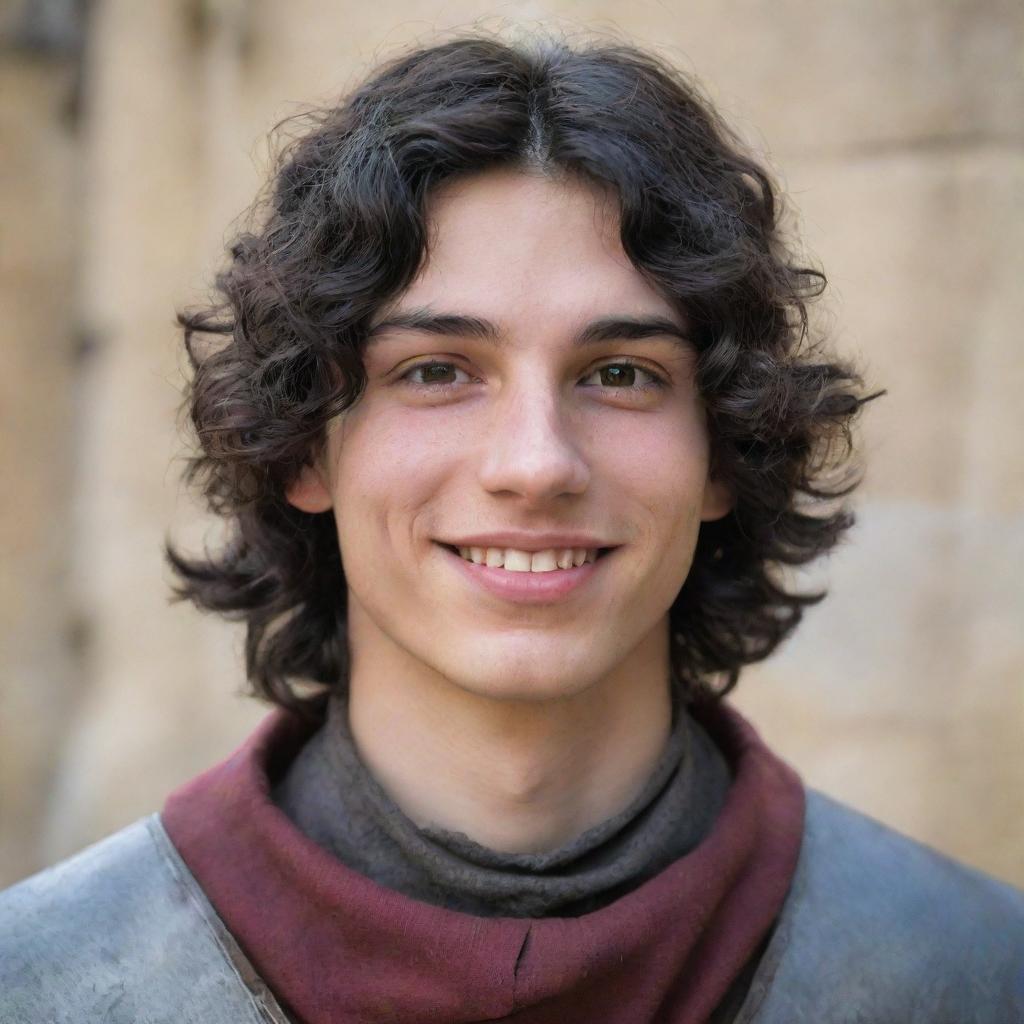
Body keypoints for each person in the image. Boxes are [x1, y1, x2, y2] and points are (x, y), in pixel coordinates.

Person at [2, 33, 1022, 1024]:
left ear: (721, 453)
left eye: (620, 374)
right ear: (306, 447)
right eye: (436, 370)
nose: (534, 464)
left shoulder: (978, 975)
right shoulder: (37, 983)